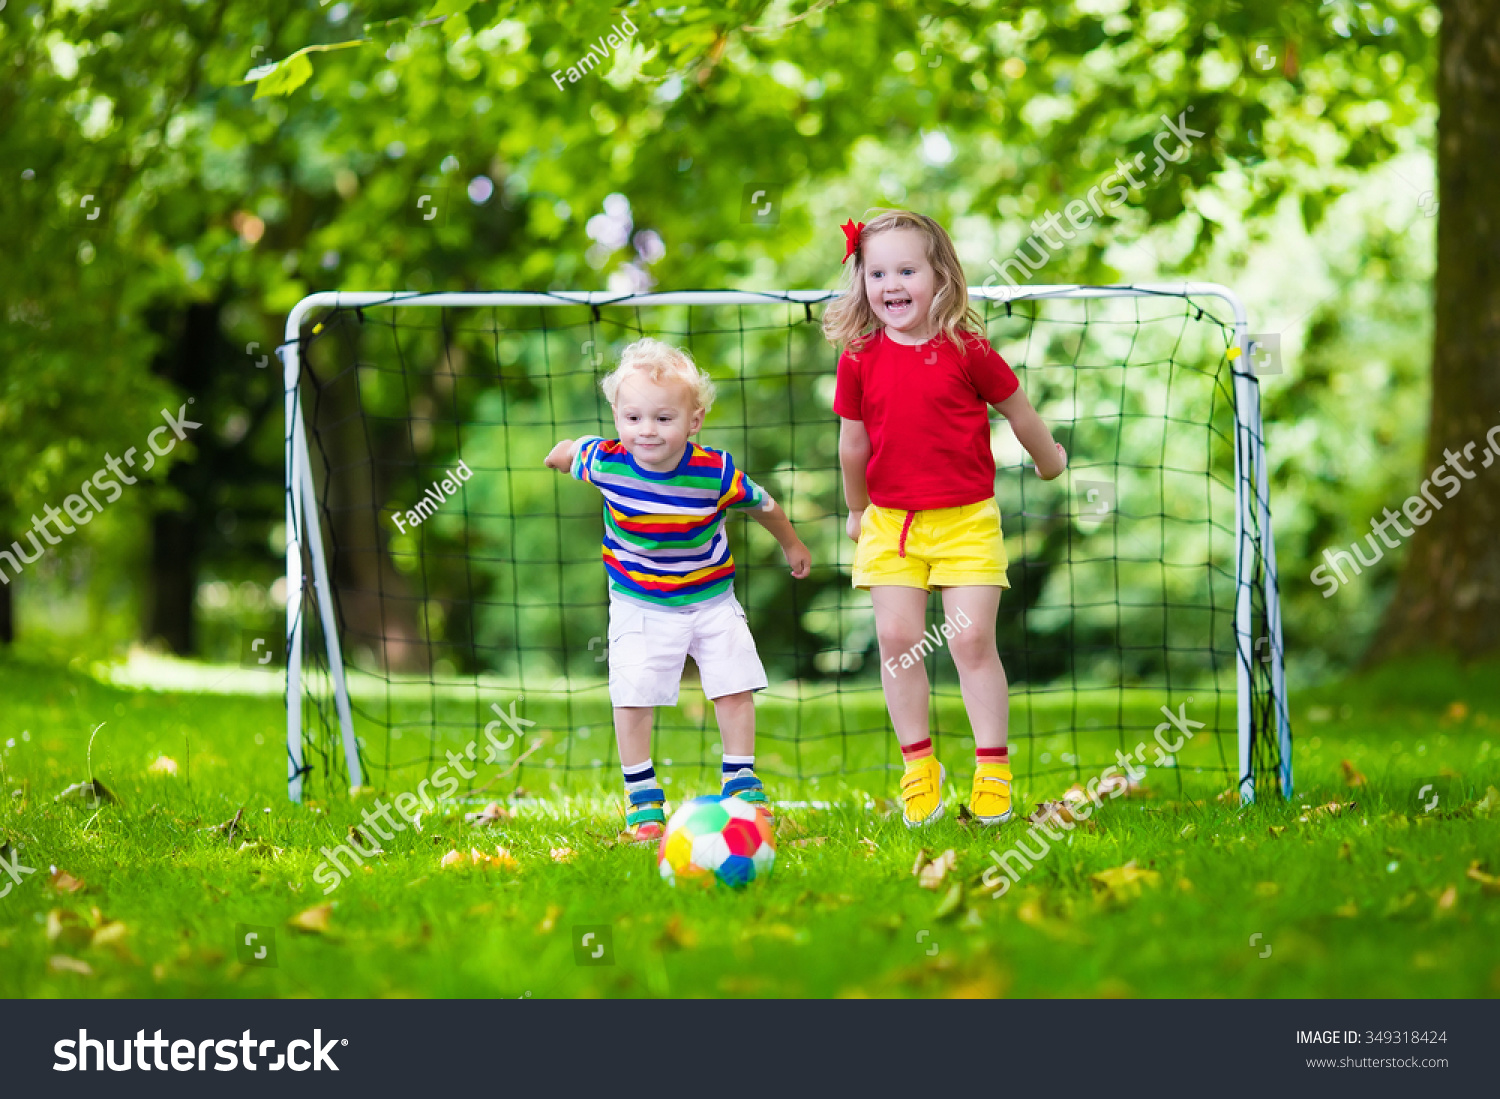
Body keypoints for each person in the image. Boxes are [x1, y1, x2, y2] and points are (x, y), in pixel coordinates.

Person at [824, 210, 1068, 827]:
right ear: (862, 281)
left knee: (969, 639)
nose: (892, 284)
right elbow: (853, 446)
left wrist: (1050, 461)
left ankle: (992, 769)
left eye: (908, 269)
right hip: (891, 524)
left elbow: (1019, 411)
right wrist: (856, 511)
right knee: (898, 642)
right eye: (878, 272)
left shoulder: (967, 349)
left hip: (966, 522)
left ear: (941, 278)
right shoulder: (858, 357)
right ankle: (919, 767)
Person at [544, 338, 811, 841]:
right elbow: (569, 451)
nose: (647, 430)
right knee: (633, 694)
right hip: (638, 602)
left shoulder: (715, 471)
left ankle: (741, 783)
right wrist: (555, 457)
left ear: (694, 421)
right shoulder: (604, 461)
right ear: (618, 418)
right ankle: (643, 800)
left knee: (734, 685)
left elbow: (763, 505)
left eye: (664, 419)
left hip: (712, 599)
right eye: (634, 417)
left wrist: (792, 543)